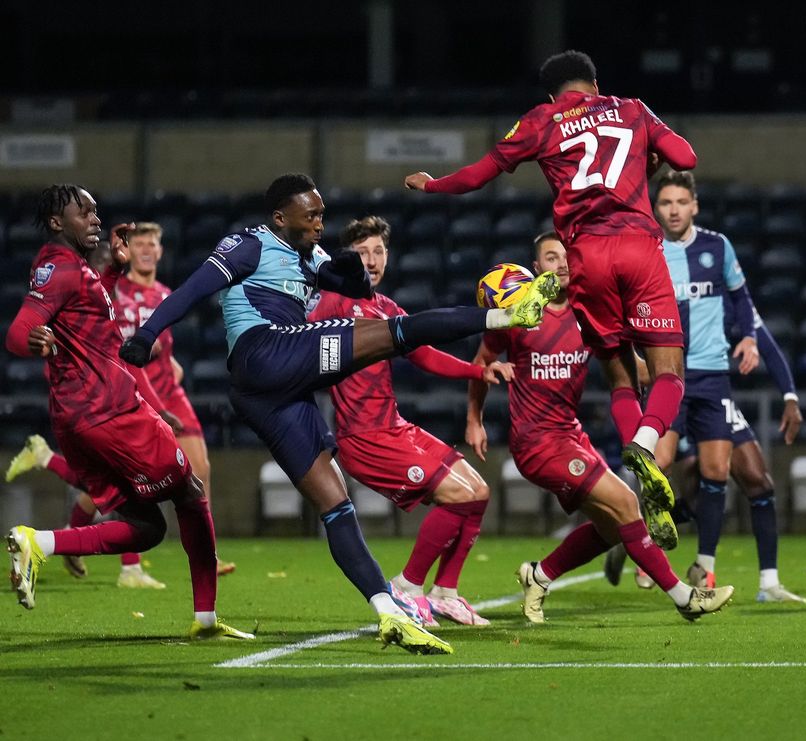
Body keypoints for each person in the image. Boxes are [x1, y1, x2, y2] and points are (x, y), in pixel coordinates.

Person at [121, 173, 557, 655]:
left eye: (322, 215)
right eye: (310, 216)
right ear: (280, 217)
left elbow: (350, 284)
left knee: (336, 505)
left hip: (272, 394)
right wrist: (147, 334)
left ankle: (390, 613)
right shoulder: (251, 245)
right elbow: (191, 290)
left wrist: (350, 270)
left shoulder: (313, 257)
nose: (319, 224)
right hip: (263, 353)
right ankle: (505, 315)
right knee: (397, 331)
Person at [406, 49, 697, 552]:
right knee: (669, 372)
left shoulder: (541, 120)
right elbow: (687, 158)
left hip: (586, 255)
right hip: (638, 246)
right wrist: (649, 157)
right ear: (595, 83)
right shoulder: (632, 108)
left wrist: (433, 185)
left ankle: (638, 461)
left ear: (551, 93)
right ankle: (648, 447)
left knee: (620, 376)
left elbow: (479, 174)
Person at [4, 184, 249, 640]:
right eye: (84, 212)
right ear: (57, 222)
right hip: (110, 410)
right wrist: (32, 339)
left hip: (77, 419)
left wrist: (114, 269)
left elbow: (87, 317)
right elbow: (18, 332)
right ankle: (206, 619)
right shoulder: (61, 269)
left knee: (145, 527)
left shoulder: (69, 266)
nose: (96, 219)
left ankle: (39, 542)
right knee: (191, 492)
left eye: (96, 211)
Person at [466, 232, 733, 623]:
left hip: (571, 436)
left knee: (612, 527)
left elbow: (631, 370)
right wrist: (474, 419)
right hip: (536, 443)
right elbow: (480, 363)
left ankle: (539, 575)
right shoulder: (518, 312)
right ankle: (684, 598)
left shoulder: (588, 313)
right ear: (536, 268)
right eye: (551, 258)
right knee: (626, 504)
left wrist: (669, 372)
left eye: (566, 256)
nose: (561, 264)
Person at [308, 215, 507, 627]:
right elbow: (299, 348)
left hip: (394, 426)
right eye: (362, 253)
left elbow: (424, 354)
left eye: (378, 251)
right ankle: (407, 586)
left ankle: (445, 592)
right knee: (459, 496)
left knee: (479, 492)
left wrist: (477, 371)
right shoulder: (332, 302)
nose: (372, 260)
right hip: (365, 438)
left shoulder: (386, 308)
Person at [635, 171, 806, 602]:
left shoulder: (717, 247)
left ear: (695, 206)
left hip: (713, 378)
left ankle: (705, 569)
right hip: (669, 376)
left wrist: (748, 337)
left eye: (681, 202)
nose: (674, 210)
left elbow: (744, 300)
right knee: (659, 461)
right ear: (656, 209)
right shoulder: (648, 251)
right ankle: (642, 544)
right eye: (665, 203)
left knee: (716, 473)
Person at [110, 222, 236, 578]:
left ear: (161, 251)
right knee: (130, 477)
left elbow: (163, 347)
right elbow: (124, 353)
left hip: (171, 393)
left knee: (200, 469)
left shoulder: (165, 293)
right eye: (139, 244)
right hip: (138, 393)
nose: (146, 250)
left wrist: (174, 365)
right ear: (129, 251)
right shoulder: (119, 294)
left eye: (152, 244)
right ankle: (118, 556)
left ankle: (206, 556)